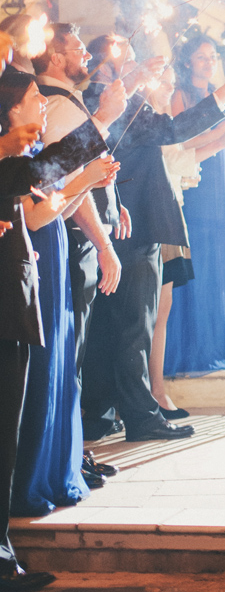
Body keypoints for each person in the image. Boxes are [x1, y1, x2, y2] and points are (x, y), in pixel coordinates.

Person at [82, 35, 225, 441]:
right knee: (134, 324)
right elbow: (173, 130)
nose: (133, 63)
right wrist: (224, 94)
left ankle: (103, 413)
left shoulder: (112, 99)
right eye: (124, 59)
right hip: (132, 218)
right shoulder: (103, 100)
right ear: (105, 67)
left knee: (121, 324)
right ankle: (141, 416)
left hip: (130, 214)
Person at [0, 31, 111, 592]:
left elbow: (41, 185)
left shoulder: (13, 163)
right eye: (33, 100)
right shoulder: (5, 165)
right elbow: (40, 179)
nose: (44, 104)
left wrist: (84, 174)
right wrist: (106, 119)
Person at [7, 72, 120, 517]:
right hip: (34, 258)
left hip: (52, 247)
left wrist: (88, 183)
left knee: (60, 364)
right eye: (35, 98)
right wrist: (83, 176)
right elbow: (35, 216)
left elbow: (57, 211)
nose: (43, 103)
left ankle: (57, 467)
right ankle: (31, 476)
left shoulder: (31, 154)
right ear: (12, 111)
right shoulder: (19, 161)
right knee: (43, 370)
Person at [34, 24, 129, 482]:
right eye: (77, 51)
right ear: (53, 56)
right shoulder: (50, 104)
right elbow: (53, 175)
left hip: (75, 235)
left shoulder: (67, 101)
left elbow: (84, 176)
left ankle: (72, 452)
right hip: (62, 241)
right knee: (64, 358)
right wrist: (106, 119)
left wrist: (110, 204)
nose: (86, 58)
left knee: (74, 355)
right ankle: (62, 455)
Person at [162, 34, 225, 378]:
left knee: (220, 258)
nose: (209, 62)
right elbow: (180, 140)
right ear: (188, 61)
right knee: (199, 256)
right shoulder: (181, 95)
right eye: (202, 57)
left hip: (219, 179)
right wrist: (216, 139)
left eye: (213, 56)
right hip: (195, 180)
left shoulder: (223, 95)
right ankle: (193, 345)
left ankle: (222, 343)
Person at [146, 65, 200, 418]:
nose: (169, 89)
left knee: (162, 310)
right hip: (154, 221)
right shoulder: (148, 123)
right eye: (162, 84)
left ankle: (157, 389)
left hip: (171, 214)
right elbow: (164, 166)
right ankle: (153, 392)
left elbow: (179, 170)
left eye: (170, 83)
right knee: (152, 312)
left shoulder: (164, 120)